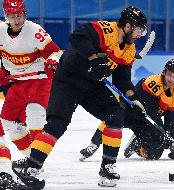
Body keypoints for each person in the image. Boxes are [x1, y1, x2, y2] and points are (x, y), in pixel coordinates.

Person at [11, 5, 148, 188]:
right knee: (57, 125)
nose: (140, 33)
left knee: (115, 114)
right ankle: (31, 167)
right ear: (128, 26)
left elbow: (122, 80)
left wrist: (134, 99)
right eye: (139, 28)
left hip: (92, 85)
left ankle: (107, 168)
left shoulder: (129, 50)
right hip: (68, 80)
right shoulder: (107, 30)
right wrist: (94, 58)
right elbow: (77, 37)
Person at [0, 0, 62, 189]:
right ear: (6, 16)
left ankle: (34, 161)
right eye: (12, 16)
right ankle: (31, 159)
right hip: (16, 82)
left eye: (19, 15)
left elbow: (56, 52)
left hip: (39, 79)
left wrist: (52, 61)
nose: (16, 20)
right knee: (8, 122)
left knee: (35, 115)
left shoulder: (35, 30)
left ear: (24, 14)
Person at [79, 59, 174, 161]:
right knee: (114, 115)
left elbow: (172, 122)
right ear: (164, 72)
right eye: (169, 74)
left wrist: (172, 140)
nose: (171, 79)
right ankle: (94, 144)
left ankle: (137, 144)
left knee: (155, 154)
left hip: (145, 122)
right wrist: (165, 136)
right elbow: (149, 110)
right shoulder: (153, 82)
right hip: (132, 113)